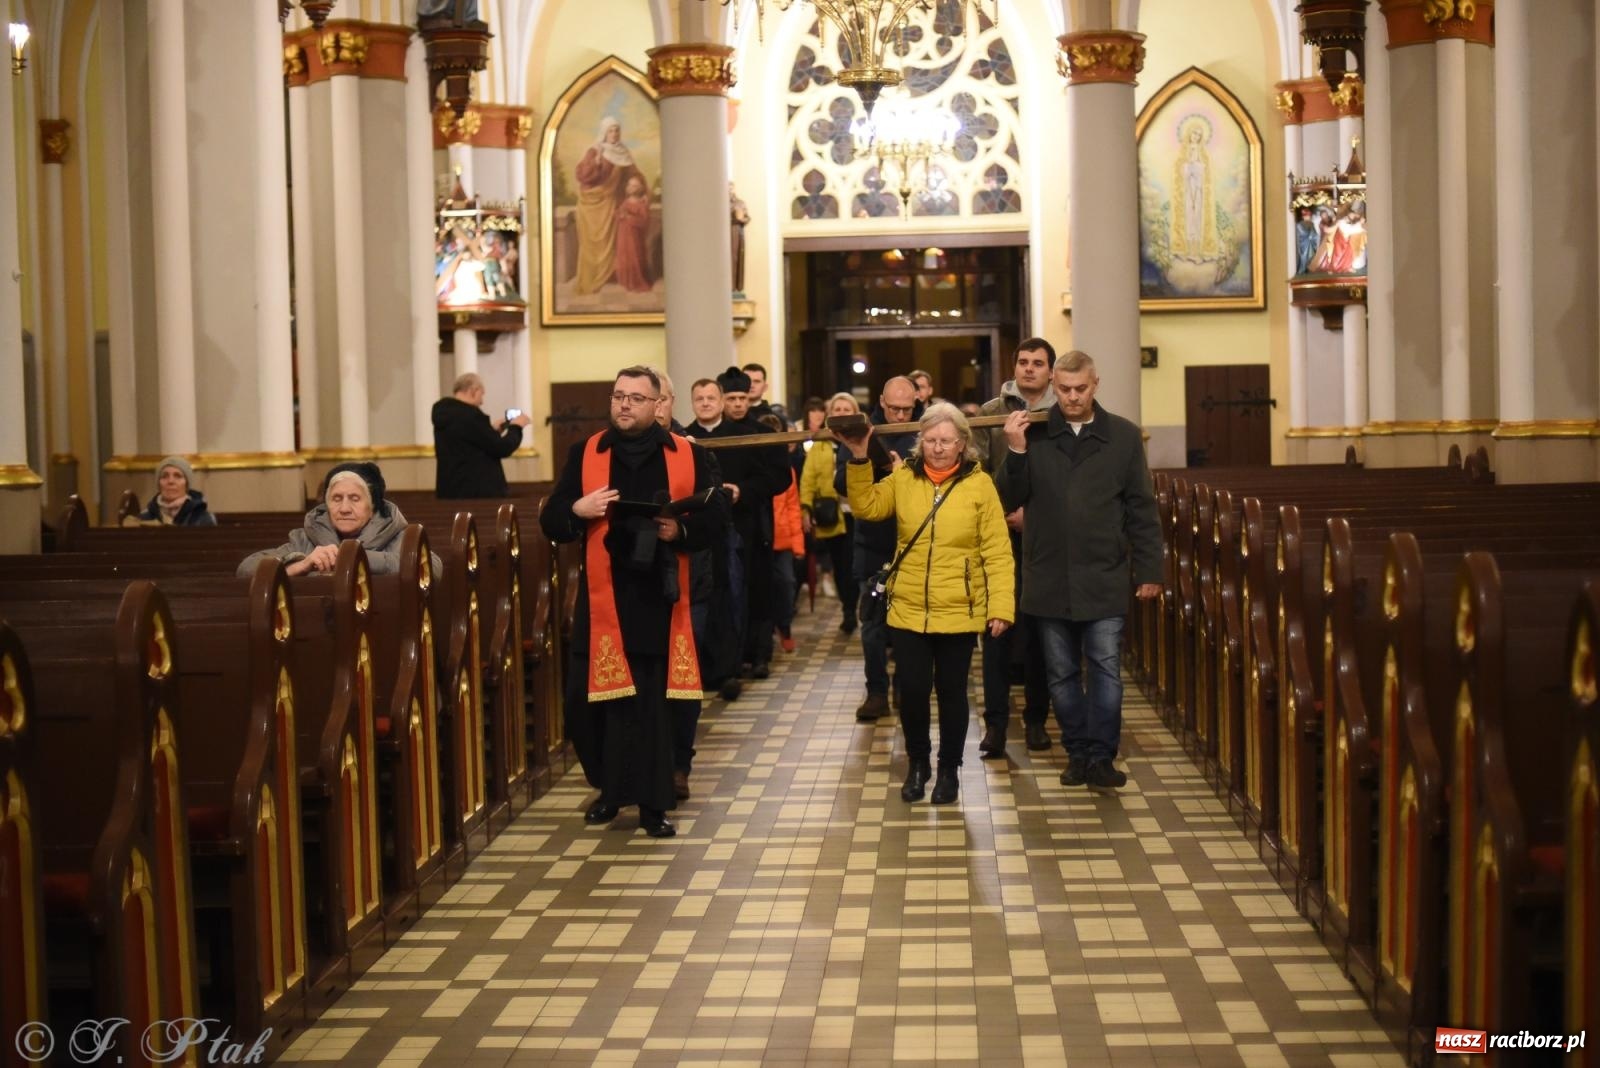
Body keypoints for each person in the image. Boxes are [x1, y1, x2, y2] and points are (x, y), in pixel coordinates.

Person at [539, 366, 724, 838]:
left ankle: (652, 804)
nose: (624, 405)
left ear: (658, 405)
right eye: (618, 396)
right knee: (587, 707)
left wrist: (678, 530)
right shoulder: (587, 453)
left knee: (651, 714)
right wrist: (578, 511)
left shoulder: (687, 455)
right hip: (603, 602)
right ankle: (609, 790)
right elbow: (554, 520)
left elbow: (714, 522)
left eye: (635, 398)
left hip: (659, 601)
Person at [996, 350, 1162, 791]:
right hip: (1047, 574)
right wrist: (1015, 452)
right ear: (1054, 386)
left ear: (1095, 385)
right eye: (1064, 389)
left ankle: (1101, 755)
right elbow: (1007, 496)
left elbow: (1142, 509)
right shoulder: (1035, 432)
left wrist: (1150, 570)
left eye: (1080, 389)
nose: (1071, 397)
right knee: (1061, 674)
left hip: (1102, 573)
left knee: (1106, 669)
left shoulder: (1122, 437)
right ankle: (1077, 751)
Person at [843, 403, 1014, 805]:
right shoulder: (904, 477)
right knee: (914, 691)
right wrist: (858, 457)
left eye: (946, 441)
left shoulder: (980, 485)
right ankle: (918, 764)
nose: (938, 448)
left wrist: (1001, 606)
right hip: (908, 606)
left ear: (962, 444)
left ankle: (950, 770)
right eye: (931, 440)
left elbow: (997, 550)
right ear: (922, 441)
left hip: (959, 605)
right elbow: (868, 507)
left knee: (953, 693)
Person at [971, 339, 1058, 758]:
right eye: (1023, 362)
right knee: (997, 634)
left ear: (1051, 371)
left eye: (1037, 363)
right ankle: (996, 727)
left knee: (1043, 633)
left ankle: (1037, 719)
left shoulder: (1063, 412)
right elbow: (980, 474)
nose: (1028, 370)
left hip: (1047, 541)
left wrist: (1034, 514)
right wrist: (1006, 511)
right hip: (1000, 539)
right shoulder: (991, 413)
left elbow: (1067, 479)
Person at [684, 368, 790, 681]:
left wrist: (743, 491)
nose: (706, 404)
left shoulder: (754, 434)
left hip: (748, 524)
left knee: (754, 589)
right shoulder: (686, 438)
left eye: (710, 398)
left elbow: (777, 476)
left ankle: (755, 655)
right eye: (699, 399)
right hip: (705, 530)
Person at [835, 376, 920, 721]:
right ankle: (876, 691)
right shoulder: (864, 430)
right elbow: (840, 482)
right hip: (872, 541)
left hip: (913, 541)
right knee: (871, 624)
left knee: (908, 625)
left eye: (907, 408)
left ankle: (904, 683)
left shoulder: (926, 429)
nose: (900, 415)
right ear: (882, 402)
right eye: (894, 408)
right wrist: (869, 462)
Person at [237, 462, 435, 578]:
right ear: (326, 505)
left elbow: (433, 568)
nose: (345, 509)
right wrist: (300, 564)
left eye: (355, 499)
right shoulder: (305, 540)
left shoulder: (398, 536)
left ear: (372, 506)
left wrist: (350, 557)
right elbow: (246, 568)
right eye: (336, 499)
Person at [801, 392, 860, 635]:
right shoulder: (821, 443)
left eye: (847, 409)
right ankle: (848, 610)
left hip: (860, 514)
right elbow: (809, 478)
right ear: (830, 414)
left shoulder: (862, 439)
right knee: (842, 566)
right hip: (833, 515)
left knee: (861, 566)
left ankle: (865, 609)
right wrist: (805, 507)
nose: (842, 413)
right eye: (837, 409)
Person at [432, 373, 531, 498]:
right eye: (481, 394)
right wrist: (516, 427)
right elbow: (502, 448)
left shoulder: (445, 413)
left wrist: (492, 431)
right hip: (476, 493)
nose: (482, 402)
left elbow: (469, 445)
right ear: (473, 391)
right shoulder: (471, 416)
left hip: (450, 491)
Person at [574, 116, 642, 294]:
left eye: (617, 130)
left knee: (610, 243)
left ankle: (608, 277)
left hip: (612, 203)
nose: (614, 134)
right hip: (592, 205)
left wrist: (641, 190)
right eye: (611, 130)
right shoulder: (595, 150)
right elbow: (581, 175)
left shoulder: (623, 152)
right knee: (593, 245)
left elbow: (634, 174)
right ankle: (593, 278)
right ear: (604, 132)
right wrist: (594, 165)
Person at [133, 456, 217, 527]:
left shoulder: (202, 518)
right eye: (164, 476)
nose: (170, 481)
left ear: (186, 484)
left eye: (178, 476)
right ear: (158, 484)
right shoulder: (144, 518)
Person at [614, 174, 654, 293]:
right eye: (630, 185)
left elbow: (643, 222)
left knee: (634, 256)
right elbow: (618, 214)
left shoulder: (642, 203)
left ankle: (635, 282)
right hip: (623, 234)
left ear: (640, 188)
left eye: (635, 185)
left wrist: (628, 217)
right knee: (624, 256)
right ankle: (626, 281)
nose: (631, 188)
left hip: (634, 236)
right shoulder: (626, 201)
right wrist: (620, 215)